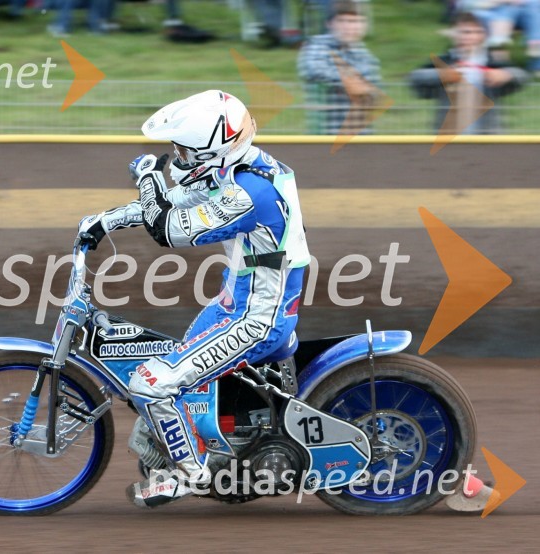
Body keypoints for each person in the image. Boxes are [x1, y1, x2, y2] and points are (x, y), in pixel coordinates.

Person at [77, 90, 311, 508]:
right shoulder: (238, 170)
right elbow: (175, 204)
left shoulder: (248, 193)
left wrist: (148, 175)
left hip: (258, 319)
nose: (177, 159)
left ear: (215, 150)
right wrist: (103, 221)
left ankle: (190, 472)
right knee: (179, 381)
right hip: (234, 301)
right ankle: (202, 449)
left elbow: (167, 230)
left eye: (184, 152)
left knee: (152, 383)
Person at [409, 11, 529, 134]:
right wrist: (443, 75)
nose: (471, 37)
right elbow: (416, 77)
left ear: (484, 35)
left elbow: (522, 75)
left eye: (477, 32)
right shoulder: (444, 60)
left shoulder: (492, 61)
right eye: (465, 32)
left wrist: (506, 75)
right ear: (453, 33)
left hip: (488, 137)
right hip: (449, 137)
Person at [297, 0, 381, 135]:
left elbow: (374, 94)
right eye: (342, 21)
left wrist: (364, 90)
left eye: (355, 22)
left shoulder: (367, 57)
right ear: (329, 24)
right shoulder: (317, 45)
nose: (348, 27)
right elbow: (314, 70)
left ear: (364, 26)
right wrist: (352, 83)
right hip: (325, 133)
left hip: (361, 134)